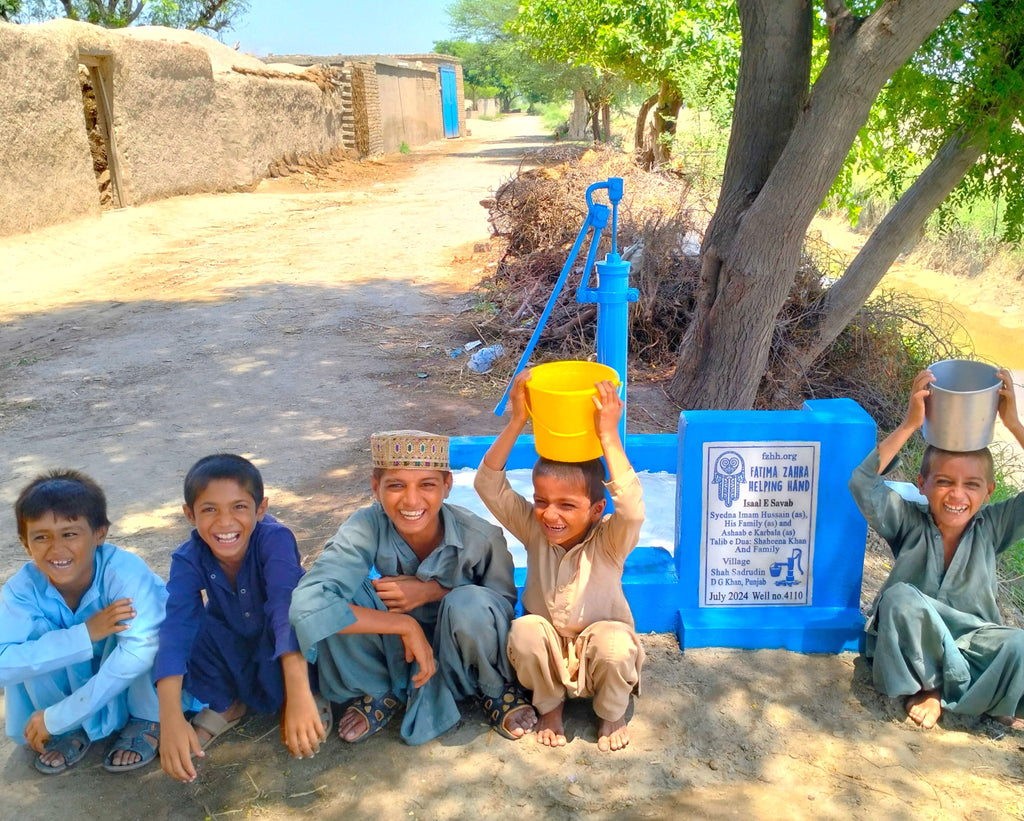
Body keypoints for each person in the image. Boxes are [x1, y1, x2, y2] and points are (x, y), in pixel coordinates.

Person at [289, 430, 535, 745]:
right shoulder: (365, 526)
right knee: (341, 594)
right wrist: (404, 625)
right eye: (396, 485)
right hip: (396, 651)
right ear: (375, 487)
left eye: (427, 485)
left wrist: (433, 591)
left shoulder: (481, 537)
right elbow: (308, 604)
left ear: (447, 486)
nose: (412, 500)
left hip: (460, 651)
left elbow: (500, 607)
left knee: (470, 603)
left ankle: (493, 689)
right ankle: (382, 689)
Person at [474, 372, 646, 752]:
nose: (550, 514)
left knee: (616, 643)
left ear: (598, 509)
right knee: (526, 630)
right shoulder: (534, 530)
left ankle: (610, 711)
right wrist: (518, 420)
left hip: (599, 655)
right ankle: (550, 706)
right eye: (541, 501)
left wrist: (608, 436)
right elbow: (488, 485)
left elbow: (631, 510)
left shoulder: (610, 541)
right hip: (548, 656)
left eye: (567, 505)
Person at [849, 367, 1024, 729]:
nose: (957, 495)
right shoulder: (908, 520)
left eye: (972, 485)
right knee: (898, 599)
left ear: (989, 491)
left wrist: (1012, 423)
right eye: (943, 482)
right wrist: (911, 424)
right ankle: (933, 689)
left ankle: (945, 692)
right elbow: (862, 482)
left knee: (1018, 645)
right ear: (922, 485)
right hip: (915, 638)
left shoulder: (992, 526)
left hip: (973, 641)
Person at [155, 454, 328, 783]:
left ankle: (309, 694)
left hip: (281, 639)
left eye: (238, 507)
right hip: (233, 639)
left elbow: (284, 608)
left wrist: (299, 694)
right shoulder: (188, 557)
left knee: (301, 620)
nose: (224, 523)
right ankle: (228, 703)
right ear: (189, 514)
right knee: (185, 632)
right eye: (209, 510)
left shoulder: (274, 539)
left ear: (260, 510)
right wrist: (171, 716)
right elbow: (177, 628)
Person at [0, 469, 166, 774]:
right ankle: (70, 727)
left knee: (139, 633)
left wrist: (58, 716)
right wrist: (83, 635)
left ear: (100, 534)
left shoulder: (123, 573)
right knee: (32, 640)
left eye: (70, 534)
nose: (56, 549)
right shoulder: (21, 591)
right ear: (25, 544)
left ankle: (147, 717)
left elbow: (138, 653)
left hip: (131, 680)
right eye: (41, 537)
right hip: (79, 678)